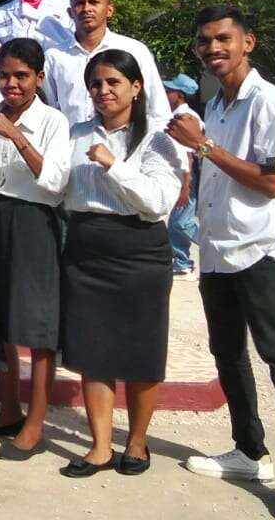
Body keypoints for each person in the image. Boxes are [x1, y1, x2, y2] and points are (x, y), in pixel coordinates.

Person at [169, 6, 275, 520]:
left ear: (248, 42)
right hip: (217, 251)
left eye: (223, 39)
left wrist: (204, 147)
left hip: (261, 249)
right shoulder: (216, 104)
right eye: (204, 42)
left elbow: (271, 180)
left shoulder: (268, 102)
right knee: (228, 354)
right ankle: (249, 452)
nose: (213, 49)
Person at [59, 49, 181, 478]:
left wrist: (113, 167)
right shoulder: (73, 133)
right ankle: (98, 446)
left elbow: (158, 201)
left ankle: (137, 440)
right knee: (94, 350)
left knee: (142, 350)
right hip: (87, 248)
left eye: (113, 82)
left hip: (140, 249)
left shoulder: (158, 140)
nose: (103, 91)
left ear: (136, 87)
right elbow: (58, 187)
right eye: (96, 84)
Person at [0, 38, 71, 461]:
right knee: (2, 320)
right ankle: (10, 405)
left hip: (36, 221)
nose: (11, 84)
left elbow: (53, 182)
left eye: (20, 76)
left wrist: (16, 136)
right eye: (4, 75)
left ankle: (36, 422)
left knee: (36, 324)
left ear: (39, 77)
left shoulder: (54, 122)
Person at [43, 0, 171, 128]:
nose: (86, 9)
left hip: (125, 144)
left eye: (94, 2)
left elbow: (158, 109)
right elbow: (49, 110)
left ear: (109, 10)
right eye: (79, 3)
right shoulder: (54, 56)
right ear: (70, 12)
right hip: (72, 144)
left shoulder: (134, 50)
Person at [164, 73, 203, 278]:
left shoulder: (185, 118)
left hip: (186, 175)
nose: (165, 93)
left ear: (179, 95)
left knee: (182, 222)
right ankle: (181, 261)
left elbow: (188, 156)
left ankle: (213, 246)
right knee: (175, 222)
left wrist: (185, 187)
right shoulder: (175, 114)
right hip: (179, 174)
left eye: (169, 91)